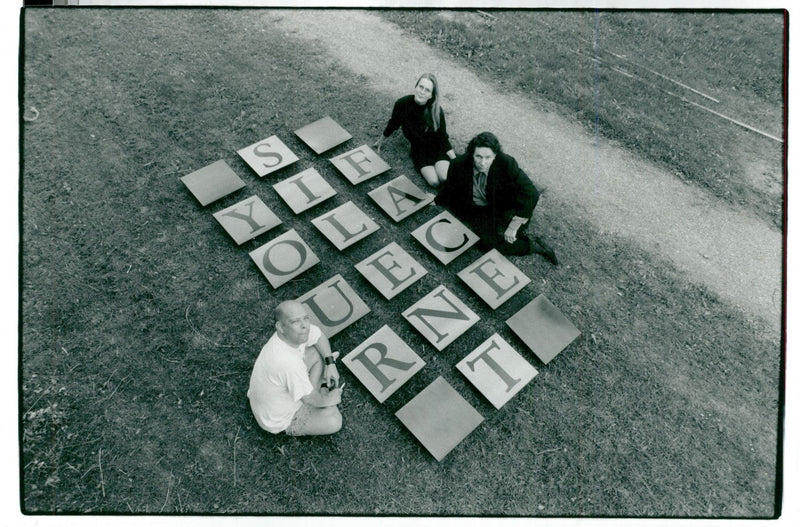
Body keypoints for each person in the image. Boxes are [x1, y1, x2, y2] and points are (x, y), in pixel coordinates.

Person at [434, 131, 558, 264]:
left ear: (495, 156)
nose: (483, 162)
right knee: (486, 244)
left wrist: (513, 227)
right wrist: (437, 200)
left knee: (515, 231)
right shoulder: (458, 163)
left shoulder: (506, 162)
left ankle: (519, 226)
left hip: (503, 202)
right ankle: (537, 247)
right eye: (478, 157)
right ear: (472, 154)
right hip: (480, 209)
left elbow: (532, 193)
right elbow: (450, 184)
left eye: (488, 157)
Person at [247, 300, 343, 436]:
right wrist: (331, 399)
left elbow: (319, 336)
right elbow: (309, 399)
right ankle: (320, 390)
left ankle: (315, 389)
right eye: (296, 322)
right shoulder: (288, 363)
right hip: (277, 418)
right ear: (280, 327)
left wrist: (330, 363)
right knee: (334, 420)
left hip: (273, 395)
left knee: (317, 353)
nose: (305, 326)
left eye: (306, 318)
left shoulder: (291, 336)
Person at [374, 73, 456, 187]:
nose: (422, 91)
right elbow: (393, 123)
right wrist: (381, 140)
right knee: (434, 182)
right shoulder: (402, 104)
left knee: (445, 177)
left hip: (437, 149)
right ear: (416, 87)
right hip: (419, 152)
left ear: (431, 95)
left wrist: (455, 159)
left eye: (427, 90)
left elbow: (442, 137)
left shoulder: (436, 111)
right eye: (421, 87)